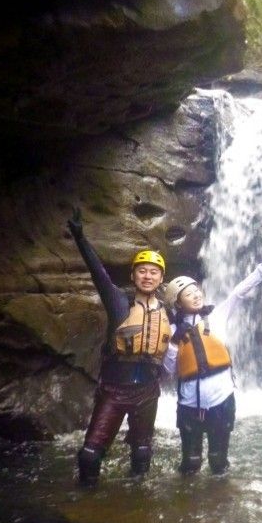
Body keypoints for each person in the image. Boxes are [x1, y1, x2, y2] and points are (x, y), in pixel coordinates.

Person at [67, 208, 172, 487]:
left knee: (142, 454)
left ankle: (137, 508)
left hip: (148, 391)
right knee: (90, 456)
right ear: (134, 276)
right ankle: (86, 506)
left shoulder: (169, 311)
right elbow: (98, 273)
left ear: (161, 279)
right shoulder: (118, 302)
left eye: (153, 272)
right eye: (142, 271)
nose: (148, 276)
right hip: (114, 390)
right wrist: (80, 238)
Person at [162, 246, 262, 475]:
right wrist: (175, 342)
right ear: (177, 302)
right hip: (189, 405)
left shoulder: (216, 316)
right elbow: (168, 369)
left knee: (218, 461)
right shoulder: (172, 330)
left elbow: (238, 293)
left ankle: (221, 503)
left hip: (221, 399)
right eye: (188, 293)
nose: (196, 295)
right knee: (191, 463)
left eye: (197, 290)